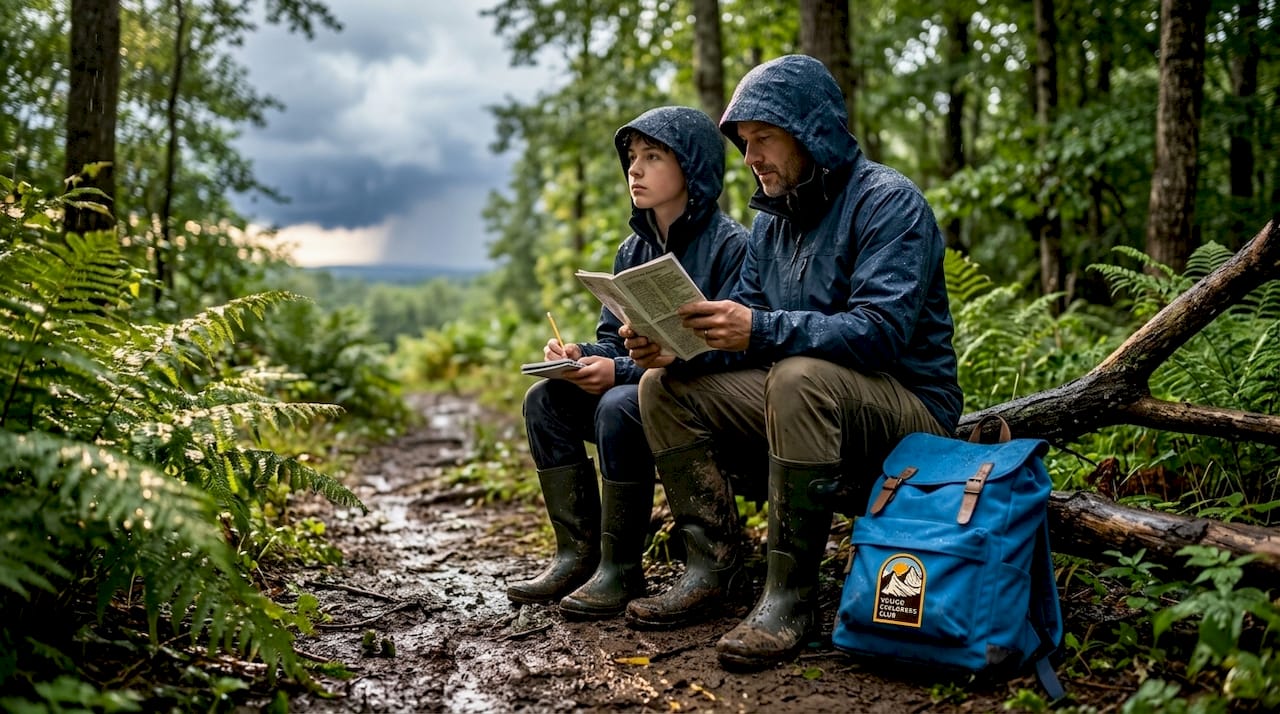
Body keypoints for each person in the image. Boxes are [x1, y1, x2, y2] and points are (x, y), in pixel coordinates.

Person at [621, 55, 964, 669]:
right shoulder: (770, 224)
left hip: (911, 410)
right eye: (745, 143)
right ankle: (712, 567)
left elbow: (881, 333)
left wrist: (759, 328)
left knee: (799, 376)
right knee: (662, 388)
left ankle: (790, 599)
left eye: (765, 139)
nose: (751, 158)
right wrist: (680, 351)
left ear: (810, 133)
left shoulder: (888, 203)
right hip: (806, 401)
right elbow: (747, 330)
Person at [507, 106, 750, 620]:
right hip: (636, 387)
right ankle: (579, 556)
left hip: (697, 406)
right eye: (632, 158)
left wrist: (618, 373)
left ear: (692, 167)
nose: (634, 170)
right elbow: (610, 342)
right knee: (544, 400)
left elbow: (723, 360)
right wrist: (578, 357)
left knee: (620, 402)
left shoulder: (734, 247)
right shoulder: (631, 250)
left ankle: (622, 567)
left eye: (653, 156)